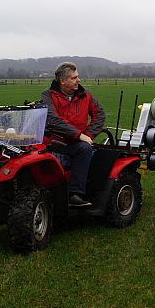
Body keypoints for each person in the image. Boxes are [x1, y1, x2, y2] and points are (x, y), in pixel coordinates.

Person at [41, 62, 106, 207]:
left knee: (84, 149)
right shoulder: (48, 95)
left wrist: (87, 134)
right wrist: (79, 135)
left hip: (76, 143)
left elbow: (100, 114)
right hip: (54, 142)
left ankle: (75, 194)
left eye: (78, 76)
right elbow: (53, 119)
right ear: (62, 81)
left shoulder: (85, 94)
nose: (79, 80)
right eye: (74, 78)